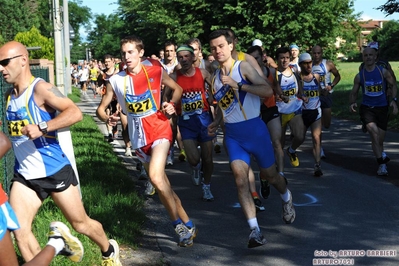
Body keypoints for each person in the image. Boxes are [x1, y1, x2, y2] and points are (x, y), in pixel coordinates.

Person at [0, 41, 120, 266]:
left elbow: (75, 113)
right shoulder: (8, 95)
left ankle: (108, 250)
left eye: (5, 62)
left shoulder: (41, 89)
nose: (1, 68)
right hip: (25, 175)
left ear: (23, 60)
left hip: (54, 169)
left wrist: (43, 127)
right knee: (20, 230)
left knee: (80, 224)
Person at [96, 35, 197, 247]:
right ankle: (189, 222)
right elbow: (101, 110)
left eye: (131, 52)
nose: (126, 57)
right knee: (163, 185)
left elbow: (177, 89)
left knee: (155, 177)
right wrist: (109, 118)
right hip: (138, 138)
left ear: (141, 53)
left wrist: (171, 104)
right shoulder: (115, 80)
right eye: (123, 53)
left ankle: (177, 226)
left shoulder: (155, 71)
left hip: (160, 129)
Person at [208, 29, 295, 248]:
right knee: (240, 179)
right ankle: (255, 230)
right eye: (213, 48)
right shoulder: (215, 78)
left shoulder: (242, 67)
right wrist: (216, 122)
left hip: (255, 130)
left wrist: (240, 85)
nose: (217, 51)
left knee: (270, 175)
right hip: (233, 135)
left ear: (230, 46)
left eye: (221, 46)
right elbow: (224, 106)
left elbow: (267, 91)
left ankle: (286, 197)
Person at [170, 45, 215, 201]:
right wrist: (168, 106)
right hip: (186, 121)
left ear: (192, 57)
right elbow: (165, 96)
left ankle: (206, 186)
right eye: (180, 57)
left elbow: (216, 88)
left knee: (208, 159)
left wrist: (212, 98)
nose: (184, 60)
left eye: (186, 56)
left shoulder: (203, 73)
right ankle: (196, 169)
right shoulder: (174, 77)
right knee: (194, 159)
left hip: (204, 119)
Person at [247, 45, 285, 211]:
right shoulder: (248, 75)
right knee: (259, 154)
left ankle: (281, 174)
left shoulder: (270, 71)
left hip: (271, 110)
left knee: (277, 142)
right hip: (256, 114)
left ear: (263, 57)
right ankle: (264, 177)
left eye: (257, 57)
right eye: (251, 58)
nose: (254, 61)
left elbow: (275, 84)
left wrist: (280, 94)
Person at [349, 47, 398, 176]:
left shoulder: (383, 72)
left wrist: (393, 100)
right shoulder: (360, 76)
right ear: (363, 58)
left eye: (371, 55)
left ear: (375, 57)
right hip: (367, 109)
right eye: (366, 55)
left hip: (382, 108)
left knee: (379, 139)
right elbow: (354, 92)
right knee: (374, 133)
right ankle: (381, 164)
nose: (369, 57)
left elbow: (393, 84)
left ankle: (381, 156)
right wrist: (352, 102)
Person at [275, 46, 306, 168]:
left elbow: (299, 87)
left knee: (300, 136)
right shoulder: (275, 74)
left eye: (287, 57)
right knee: (279, 143)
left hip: (294, 108)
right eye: (282, 58)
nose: (285, 60)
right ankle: (279, 169)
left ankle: (292, 150)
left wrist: (302, 95)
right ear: (277, 59)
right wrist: (277, 96)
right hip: (279, 112)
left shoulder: (294, 72)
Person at [311, 45, 341, 159]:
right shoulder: (309, 66)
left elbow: (337, 76)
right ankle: (319, 146)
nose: (316, 55)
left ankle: (318, 133)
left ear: (322, 53)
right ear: (312, 53)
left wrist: (331, 85)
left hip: (326, 96)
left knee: (327, 124)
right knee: (317, 126)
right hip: (315, 98)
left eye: (318, 53)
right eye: (314, 53)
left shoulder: (328, 64)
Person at [298, 53, 323, 176]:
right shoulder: (298, 79)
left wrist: (326, 90)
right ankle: (291, 150)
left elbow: (321, 90)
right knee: (300, 138)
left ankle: (317, 165)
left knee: (316, 138)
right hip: (302, 113)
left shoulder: (317, 76)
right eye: (305, 63)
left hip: (316, 111)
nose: (309, 65)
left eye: (310, 62)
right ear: (300, 65)